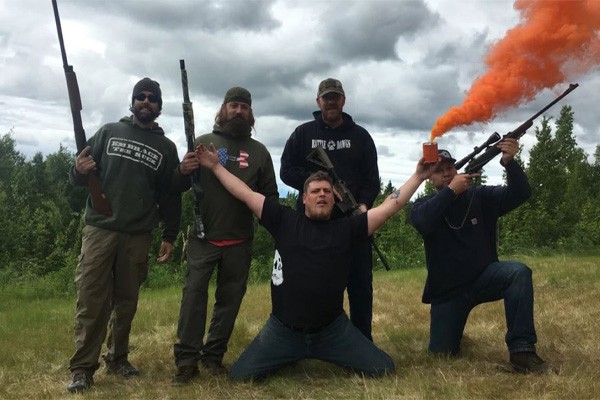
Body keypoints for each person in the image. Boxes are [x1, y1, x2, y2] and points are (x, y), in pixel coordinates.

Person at [193, 142, 430, 381]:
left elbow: (390, 206)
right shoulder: (283, 220)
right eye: (315, 191)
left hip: (332, 331)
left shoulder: (349, 228)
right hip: (283, 330)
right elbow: (245, 193)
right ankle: (290, 353)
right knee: (240, 376)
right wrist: (215, 166)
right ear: (304, 198)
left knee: (383, 368)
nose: (322, 195)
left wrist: (419, 176)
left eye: (327, 191)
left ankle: (308, 353)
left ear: (334, 199)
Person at [66, 78, 182, 393]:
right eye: (140, 97)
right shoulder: (108, 132)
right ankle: (82, 369)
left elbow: (171, 196)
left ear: (159, 107)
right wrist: (78, 168)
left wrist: (170, 235)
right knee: (92, 300)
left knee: (127, 302)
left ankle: (117, 358)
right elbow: (79, 177)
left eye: (152, 99)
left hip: (137, 235)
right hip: (100, 230)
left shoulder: (167, 148)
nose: (146, 102)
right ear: (132, 103)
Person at [409, 138, 549, 373]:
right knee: (442, 354)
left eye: (450, 168)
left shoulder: (480, 196)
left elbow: (521, 193)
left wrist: (509, 163)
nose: (446, 173)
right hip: (448, 292)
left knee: (518, 272)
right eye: (439, 171)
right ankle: (454, 331)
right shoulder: (424, 204)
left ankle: (522, 352)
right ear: (429, 179)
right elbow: (422, 222)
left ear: (457, 169)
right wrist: (452, 191)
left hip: (484, 278)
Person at [171, 87, 279, 384]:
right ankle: (186, 361)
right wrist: (183, 170)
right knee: (193, 298)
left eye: (245, 106)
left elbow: (270, 197)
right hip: (203, 238)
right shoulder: (204, 142)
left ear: (251, 112)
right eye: (234, 105)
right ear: (223, 108)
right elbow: (177, 184)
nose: (239, 111)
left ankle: (213, 356)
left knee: (229, 301)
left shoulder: (259, 152)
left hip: (240, 239)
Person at [280, 78, 380, 341]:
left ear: (343, 101)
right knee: (308, 283)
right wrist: (320, 181)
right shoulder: (302, 134)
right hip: (312, 226)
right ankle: (304, 339)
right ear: (318, 102)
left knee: (359, 285)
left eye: (335, 97)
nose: (331, 102)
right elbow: (286, 171)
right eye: (326, 98)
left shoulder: (360, 136)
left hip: (351, 222)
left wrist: (364, 205)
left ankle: (362, 341)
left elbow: (372, 180)